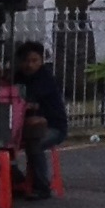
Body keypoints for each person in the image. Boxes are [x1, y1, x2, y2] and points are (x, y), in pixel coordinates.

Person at [13, 42, 70, 199]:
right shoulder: (17, 77)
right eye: (26, 61)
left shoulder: (45, 79)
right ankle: (15, 180)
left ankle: (42, 188)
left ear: (41, 61)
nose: (29, 65)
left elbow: (29, 100)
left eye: (34, 60)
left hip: (53, 128)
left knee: (35, 143)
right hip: (23, 127)